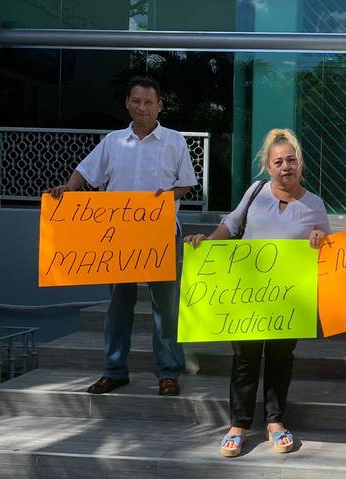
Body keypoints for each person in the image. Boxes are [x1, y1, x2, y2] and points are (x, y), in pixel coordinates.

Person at [184, 129, 330, 458]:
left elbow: (327, 249)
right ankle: (238, 425)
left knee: (280, 359)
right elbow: (232, 224)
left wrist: (321, 239)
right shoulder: (255, 192)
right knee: (245, 359)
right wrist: (207, 242)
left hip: (288, 298)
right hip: (247, 293)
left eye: (291, 160)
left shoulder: (315, 205)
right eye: (278, 162)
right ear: (268, 166)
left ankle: (275, 422)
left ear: (300, 163)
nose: (285, 167)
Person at [48, 76, 197, 397]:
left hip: (160, 234)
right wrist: (69, 188)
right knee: (118, 305)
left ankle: (169, 372)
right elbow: (87, 170)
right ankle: (114, 370)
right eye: (136, 101)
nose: (142, 107)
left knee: (166, 308)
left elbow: (185, 183)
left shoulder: (174, 141)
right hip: (118, 238)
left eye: (148, 102)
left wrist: (166, 197)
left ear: (160, 106)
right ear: (128, 103)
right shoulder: (113, 141)